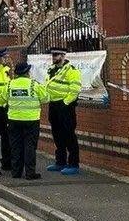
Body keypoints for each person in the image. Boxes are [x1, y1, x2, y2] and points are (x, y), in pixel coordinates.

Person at [6, 62, 49, 180]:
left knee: (15, 146)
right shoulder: (34, 85)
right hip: (31, 120)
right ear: (27, 73)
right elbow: (45, 98)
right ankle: (30, 173)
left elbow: (4, 98)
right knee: (29, 146)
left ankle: (16, 172)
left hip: (14, 120)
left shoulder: (10, 85)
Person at [45, 46, 83, 175]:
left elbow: (75, 89)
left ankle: (73, 164)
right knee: (57, 135)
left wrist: (65, 103)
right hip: (53, 105)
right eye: (53, 55)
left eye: (56, 55)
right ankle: (60, 161)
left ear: (63, 56)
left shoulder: (71, 71)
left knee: (69, 135)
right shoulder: (52, 70)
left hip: (66, 106)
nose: (54, 58)